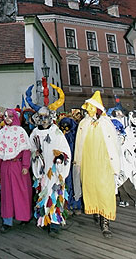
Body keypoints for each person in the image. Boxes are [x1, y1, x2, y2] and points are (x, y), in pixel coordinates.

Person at [74, 91, 120, 238]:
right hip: (89, 163)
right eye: (88, 107)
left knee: (105, 191)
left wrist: (116, 164)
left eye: (91, 106)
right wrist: (78, 162)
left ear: (98, 108)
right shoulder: (83, 123)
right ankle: (96, 211)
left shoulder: (106, 123)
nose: (88, 109)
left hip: (104, 163)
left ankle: (105, 222)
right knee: (91, 188)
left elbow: (114, 143)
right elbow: (78, 144)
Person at [30, 106, 71, 234]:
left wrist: (60, 158)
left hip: (54, 170)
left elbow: (65, 150)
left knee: (54, 194)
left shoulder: (56, 132)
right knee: (43, 194)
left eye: (46, 117)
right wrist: (35, 155)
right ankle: (44, 219)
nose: (44, 120)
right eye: (41, 117)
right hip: (42, 170)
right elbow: (31, 149)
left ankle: (54, 223)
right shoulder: (35, 133)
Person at [0, 108, 32, 232]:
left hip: (17, 165)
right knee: (6, 193)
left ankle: (24, 216)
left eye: (10, 116)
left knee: (20, 191)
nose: (7, 118)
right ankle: (7, 220)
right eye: (5, 116)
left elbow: (26, 150)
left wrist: (25, 166)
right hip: (6, 165)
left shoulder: (20, 131)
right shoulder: (1, 132)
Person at [58, 116, 82, 215]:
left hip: (75, 162)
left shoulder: (76, 135)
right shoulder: (60, 135)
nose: (65, 130)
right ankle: (67, 205)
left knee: (76, 183)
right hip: (65, 163)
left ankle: (77, 205)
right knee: (66, 183)